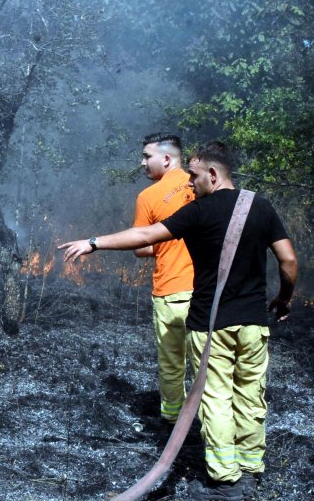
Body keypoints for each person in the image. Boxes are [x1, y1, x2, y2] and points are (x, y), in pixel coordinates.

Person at [58, 141, 298, 501]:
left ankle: (226, 480)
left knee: (216, 399)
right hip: (253, 323)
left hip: (210, 323)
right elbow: (289, 260)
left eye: (195, 176)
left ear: (213, 175)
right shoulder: (261, 207)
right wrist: (283, 298)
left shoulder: (199, 212)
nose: (190, 183)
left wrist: (95, 242)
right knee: (250, 396)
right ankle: (251, 468)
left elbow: (144, 236)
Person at [134, 133, 195, 425]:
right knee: (210, 366)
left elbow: (141, 247)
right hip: (207, 293)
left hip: (171, 292)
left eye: (147, 156)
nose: (142, 162)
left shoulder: (149, 196)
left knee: (172, 365)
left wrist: (163, 237)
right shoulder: (205, 185)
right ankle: (209, 426)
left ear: (167, 159)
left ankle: (172, 422)